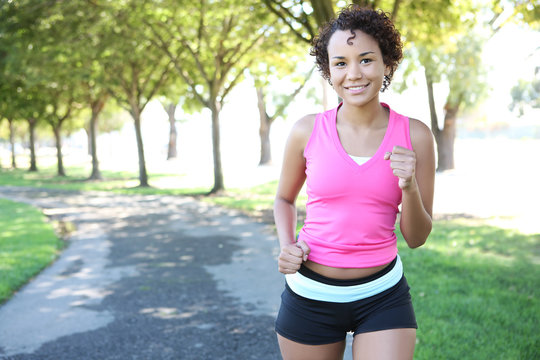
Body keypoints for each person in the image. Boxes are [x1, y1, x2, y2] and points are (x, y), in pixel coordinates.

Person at [273, 5, 435, 360]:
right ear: (328, 70)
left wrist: (408, 187)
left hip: (383, 296)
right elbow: (284, 199)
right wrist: (287, 246)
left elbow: (417, 237)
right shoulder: (306, 130)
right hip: (310, 295)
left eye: (366, 59)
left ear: (387, 64)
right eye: (341, 63)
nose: (353, 74)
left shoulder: (416, 136)